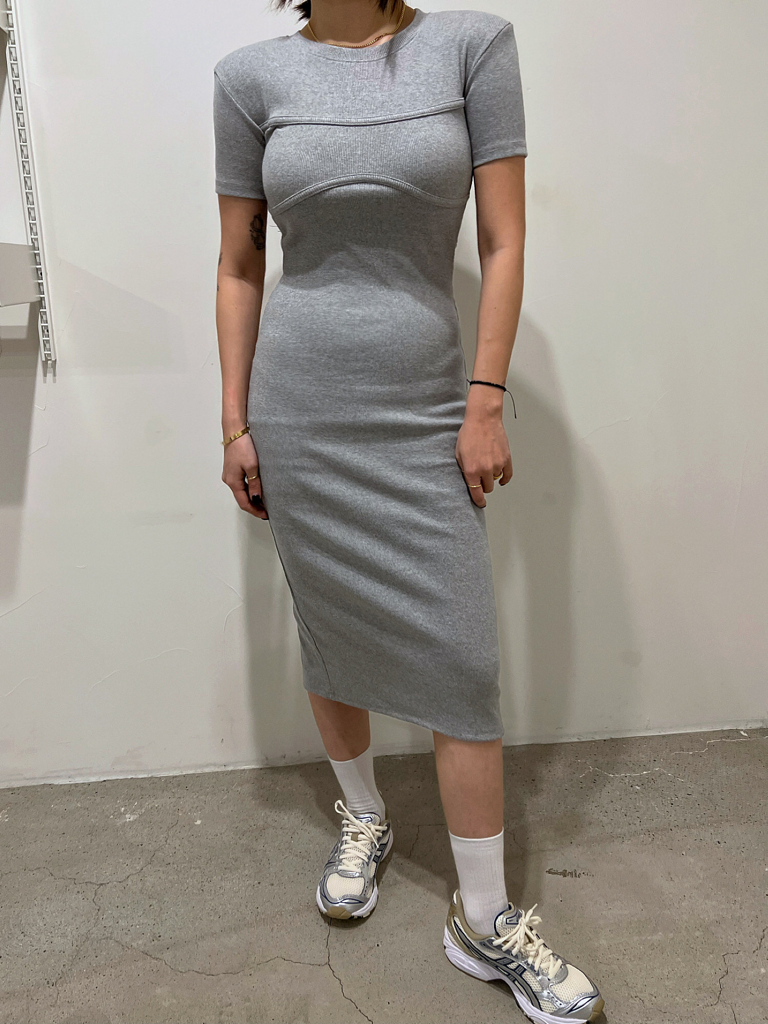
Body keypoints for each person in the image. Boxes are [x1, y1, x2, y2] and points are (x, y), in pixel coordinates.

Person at [213, 2, 603, 1020]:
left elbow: (505, 241)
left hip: (427, 402)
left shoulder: (471, 47)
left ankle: (483, 917)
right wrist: (235, 422)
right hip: (301, 407)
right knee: (330, 624)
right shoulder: (248, 78)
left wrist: (485, 400)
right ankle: (367, 818)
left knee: (461, 658)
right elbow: (240, 262)